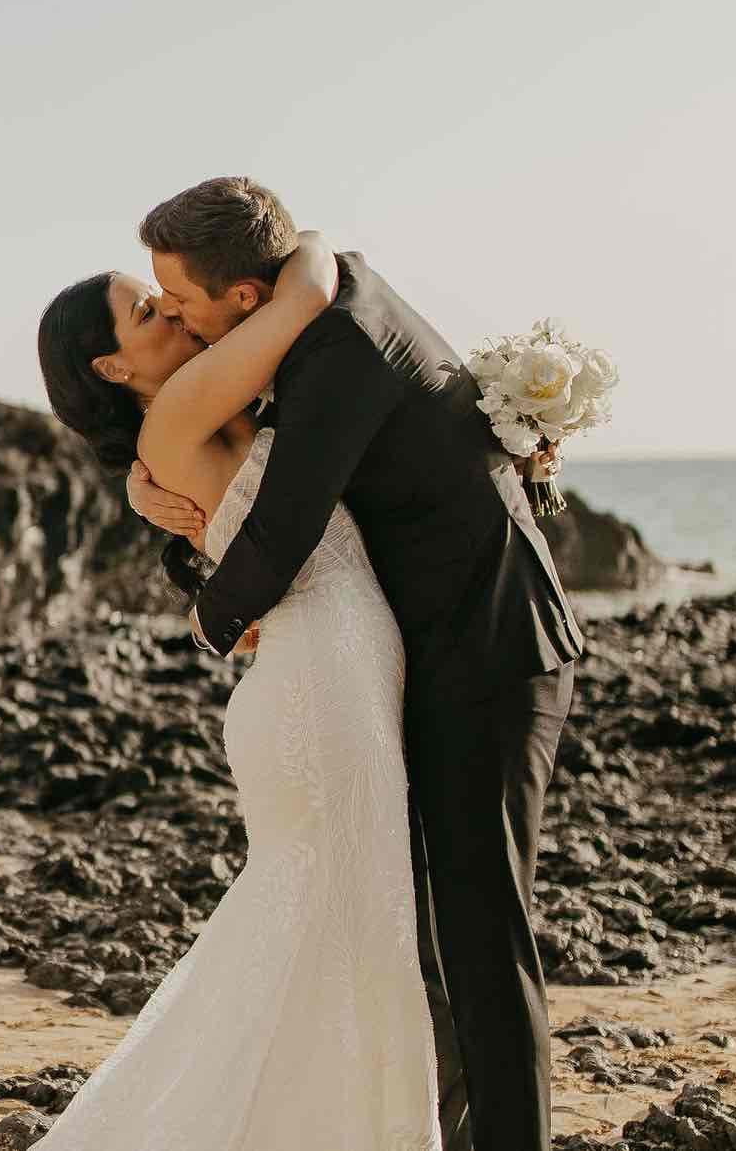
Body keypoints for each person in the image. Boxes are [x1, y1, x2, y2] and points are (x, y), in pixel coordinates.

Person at [127, 176, 584, 1151]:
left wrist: (216, 622)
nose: (171, 314)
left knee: (482, 934)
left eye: (181, 300)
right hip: (443, 655)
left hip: (494, 654)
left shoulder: (341, 347)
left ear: (243, 298)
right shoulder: (323, 314)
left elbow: (288, 525)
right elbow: (278, 493)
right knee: (428, 929)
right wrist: (180, 525)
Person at [35, 229, 444, 1149]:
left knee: (333, 924)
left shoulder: (193, 408)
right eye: (148, 311)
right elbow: (303, 295)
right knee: (342, 922)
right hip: (316, 682)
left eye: (166, 297)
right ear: (110, 363)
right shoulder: (180, 404)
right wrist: (302, 239)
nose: (173, 310)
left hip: (322, 673)